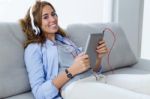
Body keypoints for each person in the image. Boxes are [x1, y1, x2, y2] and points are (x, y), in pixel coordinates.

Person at [20, 1, 150, 99]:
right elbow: (39, 92)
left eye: (53, 14)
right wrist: (71, 71)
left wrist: (98, 57)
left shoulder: (65, 40)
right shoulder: (34, 49)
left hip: (96, 78)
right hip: (75, 87)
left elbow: (92, 69)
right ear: (35, 24)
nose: (53, 19)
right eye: (46, 17)